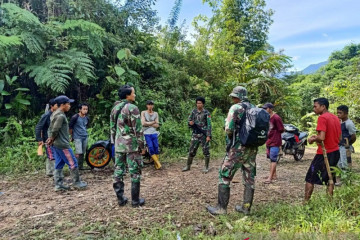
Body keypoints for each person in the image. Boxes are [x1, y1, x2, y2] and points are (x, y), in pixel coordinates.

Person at [207, 86, 258, 215]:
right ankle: (246, 208)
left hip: (238, 147)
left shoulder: (236, 108)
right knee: (249, 177)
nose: (233, 99)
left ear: (238, 97)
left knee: (224, 174)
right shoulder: (254, 108)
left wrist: (231, 139)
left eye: (234, 96)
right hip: (252, 147)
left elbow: (229, 129)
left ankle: (221, 208)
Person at [110, 85, 145, 207]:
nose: (135, 95)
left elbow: (112, 128)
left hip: (119, 144)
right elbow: (138, 129)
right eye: (133, 93)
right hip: (131, 145)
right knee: (134, 171)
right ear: (127, 95)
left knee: (118, 171)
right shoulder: (132, 108)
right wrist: (142, 146)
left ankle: (121, 199)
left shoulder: (115, 107)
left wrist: (114, 142)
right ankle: (135, 201)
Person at [46, 95, 88, 191]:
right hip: (62, 144)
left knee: (59, 163)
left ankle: (59, 184)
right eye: (68, 104)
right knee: (73, 163)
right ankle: (77, 182)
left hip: (56, 144)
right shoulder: (60, 115)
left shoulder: (54, 114)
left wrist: (51, 139)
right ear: (62, 105)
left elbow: (51, 128)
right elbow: (55, 129)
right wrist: (51, 138)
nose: (69, 106)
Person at [305, 98, 341, 202]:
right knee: (331, 178)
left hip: (324, 153)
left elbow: (321, 138)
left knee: (310, 178)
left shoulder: (322, 118)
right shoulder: (335, 118)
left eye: (315, 106)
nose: (314, 109)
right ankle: (329, 203)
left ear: (323, 106)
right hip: (335, 152)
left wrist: (312, 139)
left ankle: (306, 202)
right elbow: (339, 137)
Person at [182, 97, 212, 173]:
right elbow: (189, 120)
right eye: (197, 103)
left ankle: (206, 167)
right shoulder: (193, 111)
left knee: (206, 151)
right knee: (191, 150)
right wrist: (190, 123)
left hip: (203, 134)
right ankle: (188, 166)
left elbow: (209, 125)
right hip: (195, 134)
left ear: (203, 104)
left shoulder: (206, 113)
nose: (198, 104)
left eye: (200, 103)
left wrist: (208, 135)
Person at [35, 99, 58, 177]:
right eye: (56, 105)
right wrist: (39, 139)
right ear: (52, 106)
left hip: (53, 138)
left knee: (50, 154)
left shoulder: (55, 114)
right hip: (47, 138)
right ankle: (55, 172)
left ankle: (49, 171)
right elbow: (38, 127)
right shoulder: (47, 115)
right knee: (52, 155)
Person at [263, 103, 284, 184]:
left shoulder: (276, 118)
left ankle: (270, 177)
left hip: (275, 141)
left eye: (266, 108)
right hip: (269, 140)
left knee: (273, 159)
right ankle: (274, 175)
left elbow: (281, 129)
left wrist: (275, 133)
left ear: (270, 109)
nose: (264, 110)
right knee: (271, 158)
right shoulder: (266, 117)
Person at [69, 103, 90, 170]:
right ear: (80, 109)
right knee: (78, 152)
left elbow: (85, 126)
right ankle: (75, 166)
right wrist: (71, 136)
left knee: (82, 152)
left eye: (86, 109)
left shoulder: (87, 118)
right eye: (84, 109)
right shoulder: (75, 117)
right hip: (77, 137)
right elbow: (70, 127)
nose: (85, 111)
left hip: (84, 136)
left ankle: (80, 166)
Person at [141, 100, 161, 169]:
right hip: (146, 133)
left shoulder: (156, 113)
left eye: (151, 104)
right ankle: (158, 163)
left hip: (154, 132)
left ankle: (156, 164)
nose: (150, 106)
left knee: (156, 147)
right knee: (151, 147)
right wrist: (153, 122)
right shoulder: (143, 112)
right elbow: (143, 123)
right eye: (149, 104)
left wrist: (148, 123)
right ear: (147, 105)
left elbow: (157, 125)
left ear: (153, 105)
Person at [337, 105, 356, 171]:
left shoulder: (349, 123)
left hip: (345, 147)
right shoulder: (340, 122)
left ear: (346, 113)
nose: (338, 114)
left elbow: (353, 136)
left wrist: (348, 145)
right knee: (339, 164)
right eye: (338, 113)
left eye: (340, 113)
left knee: (345, 164)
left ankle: (346, 179)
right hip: (339, 145)